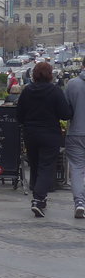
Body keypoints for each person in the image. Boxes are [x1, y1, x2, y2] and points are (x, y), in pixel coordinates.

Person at [16, 60, 72, 217]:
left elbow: (19, 115)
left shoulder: (27, 91)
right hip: (50, 134)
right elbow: (65, 114)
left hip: (31, 134)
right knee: (46, 167)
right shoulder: (55, 91)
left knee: (34, 165)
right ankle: (38, 200)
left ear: (33, 74)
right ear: (50, 75)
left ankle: (40, 197)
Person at [64, 66, 85, 218]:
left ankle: (79, 202)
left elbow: (65, 111)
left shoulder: (72, 84)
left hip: (76, 132)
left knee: (77, 168)